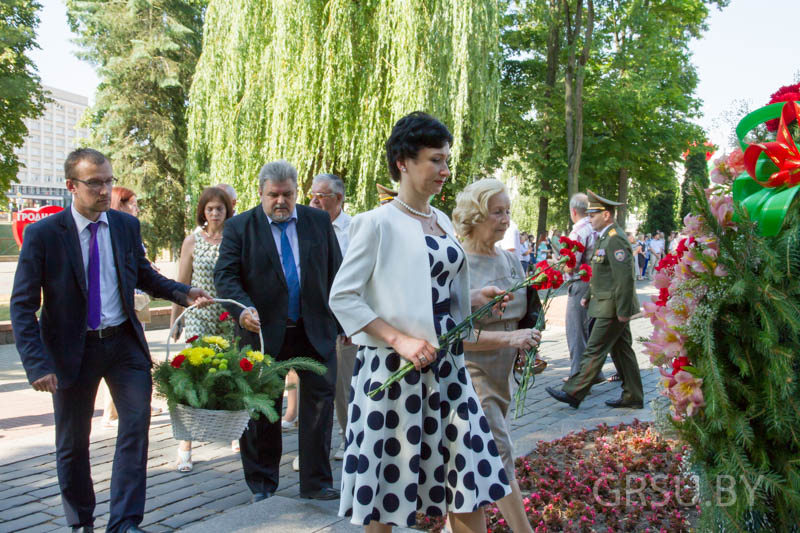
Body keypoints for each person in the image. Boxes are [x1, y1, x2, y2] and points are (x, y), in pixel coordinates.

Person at [10, 148, 212, 533]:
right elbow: (22, 307)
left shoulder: (123, 226)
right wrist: (37, 363)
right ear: (71, 186)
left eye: (108, 180)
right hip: (72, 351)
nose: (105, 190)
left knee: (135, 427)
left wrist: (183, 293)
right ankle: (81, 520)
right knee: (72, 444)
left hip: (123, 346)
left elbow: (143, 275)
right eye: (95, 183)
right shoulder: (43, 235)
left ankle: (124, 523)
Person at [329, 112, 512, 531]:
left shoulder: (442, 220)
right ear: (403, 163)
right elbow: (342, 296)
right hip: (394, 370)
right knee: (386, 489)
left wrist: (474, 298)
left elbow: (430, 288)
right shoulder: (374, 223)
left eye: (447, 160)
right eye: (435, 160)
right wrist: (398, 339)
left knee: (468, 479)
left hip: (448, 368)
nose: (445, 171)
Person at [214, 160, 342, 502]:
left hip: (313, 329)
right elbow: (225, 277)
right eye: (273, 195)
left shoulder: (317, 221)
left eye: (287, 194)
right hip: (261, 333)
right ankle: (262, 484)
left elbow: (336, 271)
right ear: (261, 193)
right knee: (262, 410)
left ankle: (316, 483)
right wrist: (242, 311)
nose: (281, 201)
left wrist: (342, 322)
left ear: (297, 191)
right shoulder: (240, 227)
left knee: (318, 404)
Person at [452, 178, 540, 533]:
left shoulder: (509, 259)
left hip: (503, 375)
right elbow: (452, 335)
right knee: (499, 453)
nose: (505, 219)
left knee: (468, 461)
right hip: (470, 374)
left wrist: (526, 343)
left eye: (508, 211)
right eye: (497, 212)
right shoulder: (458, 262)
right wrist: (509, 340)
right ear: (475, 215)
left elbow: (521, 314)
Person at [545, 190, 644, 410]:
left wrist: (624, 310)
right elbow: (601, 274)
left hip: (613, 307)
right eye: (588, 215)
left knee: (595, 348)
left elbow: (625, 278)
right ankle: (633, 395)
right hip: (606, 302)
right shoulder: (605, 237)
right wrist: (589, 296)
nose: (589, 219)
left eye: (593, 215)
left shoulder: (615, 238)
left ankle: (573, 392)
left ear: (606, 215)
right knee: (622, 351)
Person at [169, 187, 234, 472]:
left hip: (227, 317)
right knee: (193, 377)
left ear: (227, 211)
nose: (215, 213)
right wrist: (176, 320)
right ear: (203, 212)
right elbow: (181, 282)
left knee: (230, 374)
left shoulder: (235, 238)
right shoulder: (192, 241)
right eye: (210, 209)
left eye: (220, 208)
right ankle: (185, 444)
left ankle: (234, 432)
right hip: (198, 316)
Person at [309, 172, 355, 462]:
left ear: (338, 199)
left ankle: (348, 437)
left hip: (346, 320)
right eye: (312, 194)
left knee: (344, 383)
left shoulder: (355, 229)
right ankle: (317, 444)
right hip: (314, 317)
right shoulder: (307, 227)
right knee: (314, 382)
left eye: (321, 196)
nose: (313, 200)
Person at [564, 193, 605, 382]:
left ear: (573, 211)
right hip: (597, 282)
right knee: (590, 329)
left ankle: (578, 375)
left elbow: (572, 263)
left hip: (581, 283)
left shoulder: (578, 232)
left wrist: (560, 263)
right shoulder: (596, 228)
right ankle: (594, 371)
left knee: (576, 330)